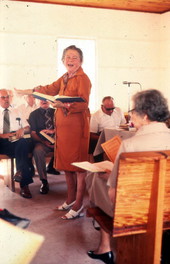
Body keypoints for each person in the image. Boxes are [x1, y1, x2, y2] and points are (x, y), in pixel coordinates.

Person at [86, 89, 170, 264]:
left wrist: (108, 177)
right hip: (167, 208)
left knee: (96, 180)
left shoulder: (130, 145)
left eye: (133, 112)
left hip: (136, 211)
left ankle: (105, 248)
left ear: (145, 116)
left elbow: (114, 195)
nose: (131, 116)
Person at [15, 45, 91, 219]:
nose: (71, 60)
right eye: (68, 57)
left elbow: (84, 104)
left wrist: (63, 105)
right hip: (63, 130)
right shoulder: (64, 77)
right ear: (63, 60)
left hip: (76, 128)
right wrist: (31, 90)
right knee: (67, 166)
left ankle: (79, 205)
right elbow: (49, 89)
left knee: (78, 167)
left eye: (75, 57)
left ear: (80, 61)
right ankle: (70, 200)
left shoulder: (83, 78)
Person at [0, 89, 34, 199]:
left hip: (13, 142)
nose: (6, 99)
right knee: (21, 150)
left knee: (23, 142)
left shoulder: (16, 111)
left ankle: (21, 177)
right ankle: (22, 175)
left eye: (8, 96)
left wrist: (23, 130)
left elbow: (28, 127)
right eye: (3, 97)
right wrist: (2, 135)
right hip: (1, 142)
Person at [28, 99, 60, 194]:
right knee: (38, 151)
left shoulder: (57, 112)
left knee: (70, 146)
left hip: (59, 141)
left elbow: (64, 127)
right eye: (40, 99)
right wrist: (44, 141)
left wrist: (54, 132)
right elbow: (33, 133)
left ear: (50, 101)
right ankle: (44, 181)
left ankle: (73, 180)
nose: (43, 101)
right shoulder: (33, 114)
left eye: (45, 99)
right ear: (37, 101)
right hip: (41, 142)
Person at [89, 96, 126, 162]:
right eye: (108, 109)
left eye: (113, 108)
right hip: (103, 138)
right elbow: (92, 134)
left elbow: (124, 125)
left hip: (119, 135)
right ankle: (100, 166)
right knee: (94, 143)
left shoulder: (118, 110)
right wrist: (104, 139)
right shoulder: (96, 116)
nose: (111, 111)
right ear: (102, 106)